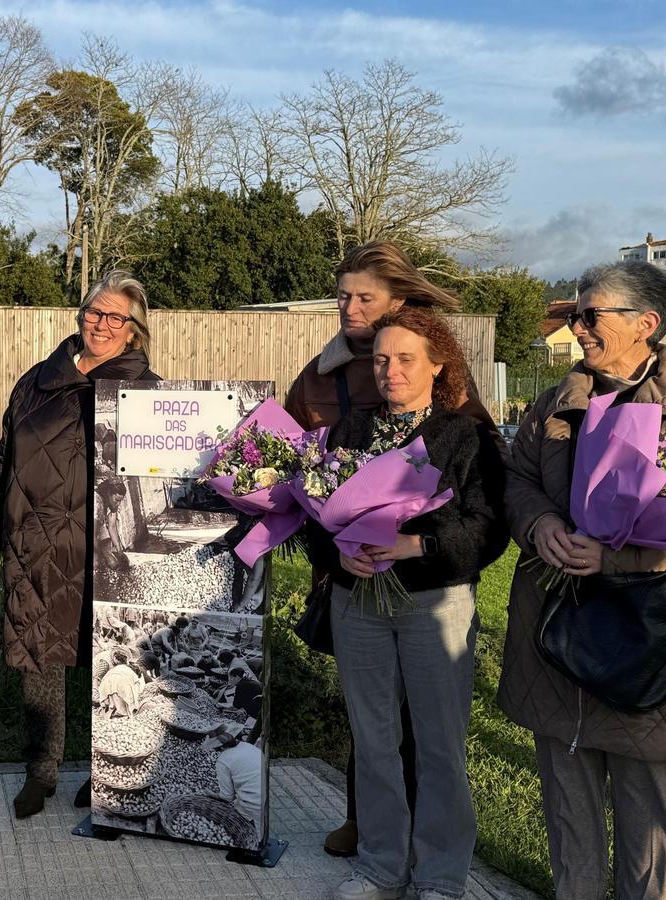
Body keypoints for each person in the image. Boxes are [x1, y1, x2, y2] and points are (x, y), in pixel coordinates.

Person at [284, 240, 499, 858]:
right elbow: (307, 487)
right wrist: (334, 551)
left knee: (433, 738)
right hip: (355, 588)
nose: (350, 308)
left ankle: (436, 867)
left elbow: (483, 512)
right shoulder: (328, 392)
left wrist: (418, 544)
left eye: (365, 298)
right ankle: (377, 849)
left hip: (430, 591)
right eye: (342, 296)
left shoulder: (456, 418)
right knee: (372, 731)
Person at [498, 261, 666, 900]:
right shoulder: (556, 400)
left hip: (643, 645)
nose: (577, 327)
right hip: (555, 635)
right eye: (574, 314)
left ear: (646, 324)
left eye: (590, 315)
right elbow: (516, 478)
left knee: (648, 824)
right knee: (569, 817)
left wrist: (616, 560)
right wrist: (538, 523)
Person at [0, 270, 159, 818]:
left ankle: (105, 768)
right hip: (38, 543)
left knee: (110, 657)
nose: (102, 324)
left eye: (116, 317)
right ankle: (41, 771)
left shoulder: (148, 394)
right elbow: (6, 457)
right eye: (94, 312)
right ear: (81, 314)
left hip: (107, 549)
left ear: (133, 330)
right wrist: (1, 528)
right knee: (39, 657)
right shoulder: (37, 380)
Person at [202, 723, 263, 839]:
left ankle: (256, 838)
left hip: (255, 802)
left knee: (243, 821)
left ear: (219, 747)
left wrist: (212, 794)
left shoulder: (223, 760)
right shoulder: (247, 746)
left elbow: (227, 797)